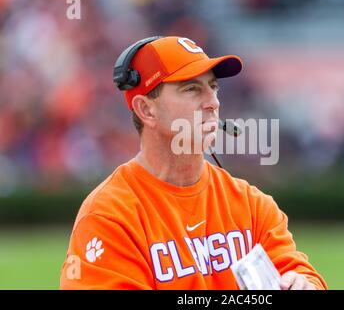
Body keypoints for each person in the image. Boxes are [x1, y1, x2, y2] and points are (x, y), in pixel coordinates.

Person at [60, 36, 327, 290]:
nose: (213, 102)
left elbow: (298, 270)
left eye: (213, 87)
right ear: (146, 109)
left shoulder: (251, 204)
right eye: (191, 89)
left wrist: (302, 282)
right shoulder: (110, 217)